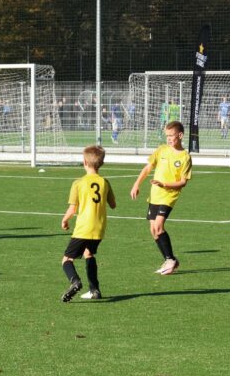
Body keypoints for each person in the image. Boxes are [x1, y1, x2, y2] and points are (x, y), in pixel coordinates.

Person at [130, 121, 192, 276]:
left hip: (169, 196)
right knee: (153, 230)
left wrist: (164, 184)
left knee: (158, 226)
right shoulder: (162, 150)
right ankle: (170, 259)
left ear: (180, 135)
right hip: (155, 195)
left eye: (171, 135)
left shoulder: (185, 157)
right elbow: (148, 168)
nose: (169, 139)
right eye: (167, 136)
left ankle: (170, 260)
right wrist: (136, 184)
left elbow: (183, 182)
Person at [60, 145, 116, 302]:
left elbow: (72, 208)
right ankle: (94, 290)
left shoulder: (78, 183)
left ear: (84, 162)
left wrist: (65, 219)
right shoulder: (105, 182)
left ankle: (75, 281)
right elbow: (113, 205)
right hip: (99, 228)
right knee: (88, 253)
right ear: (101, 163)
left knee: (66, 260)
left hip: (83, 228)